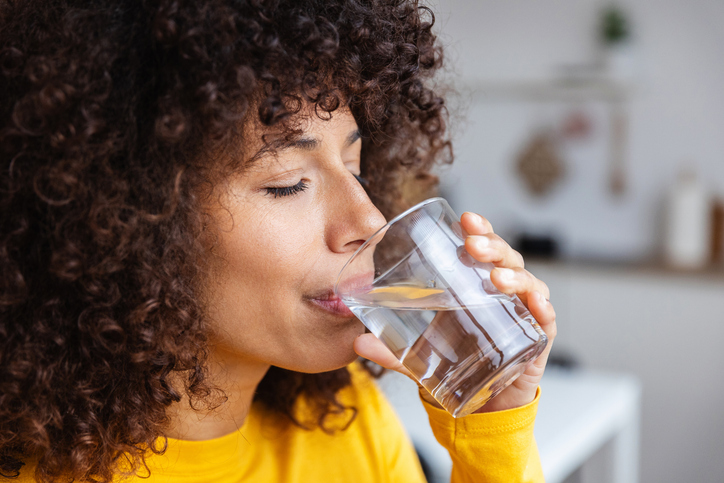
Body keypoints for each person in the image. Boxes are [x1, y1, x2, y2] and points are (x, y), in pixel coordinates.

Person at [0, 0, 557, 482]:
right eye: (287, 184)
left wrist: (495, 431)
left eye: (356, 169)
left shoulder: (351, 422)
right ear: (126, 220)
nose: (369, 221)